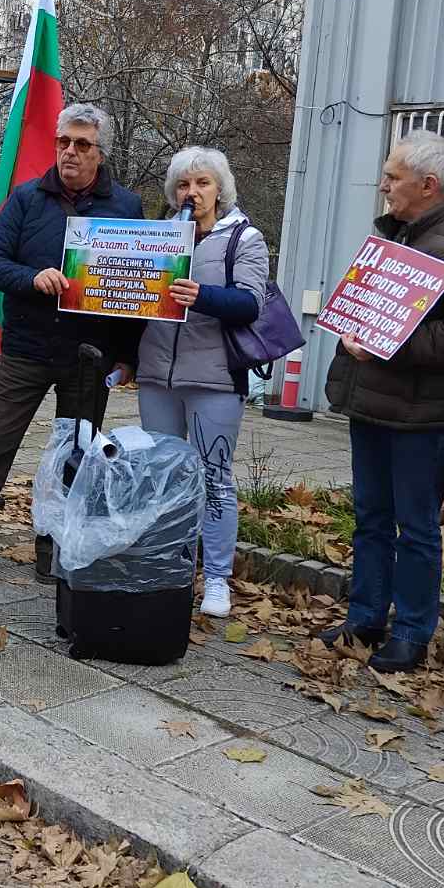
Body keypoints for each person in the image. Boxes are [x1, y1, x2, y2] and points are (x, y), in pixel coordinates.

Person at [320, 130, 444, 674]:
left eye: (393, 177)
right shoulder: (397, 234)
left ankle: (411, 632)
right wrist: (354, 333)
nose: (383, 186)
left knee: (417, 528)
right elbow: (369, 305)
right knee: (370, 517)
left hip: (418, 413)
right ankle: (365, 617)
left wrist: (389, 347)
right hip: (370, 400)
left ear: (427, 185)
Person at [0, 103, 143, 575]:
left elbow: (136, 289)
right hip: (27, 348)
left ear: (100, 154)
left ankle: (54, 548)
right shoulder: (27, 198)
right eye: (63, 142)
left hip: (89, 356)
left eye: (82, 144)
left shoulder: (127, 207)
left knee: (77, 456)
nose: (69, 152)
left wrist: (128, 356)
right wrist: (33, 278)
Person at [136, 147, 268, 620]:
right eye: (184, 185)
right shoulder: (157, 236)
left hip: (214, 377)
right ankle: (168, 566)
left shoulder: (244, 239)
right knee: (163, 477)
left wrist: (203, 296)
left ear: (220, 188)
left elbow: (251, 304)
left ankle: (215, 579)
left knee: (214, 478)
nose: (193, 193)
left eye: (203, 183)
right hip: (156, 373)